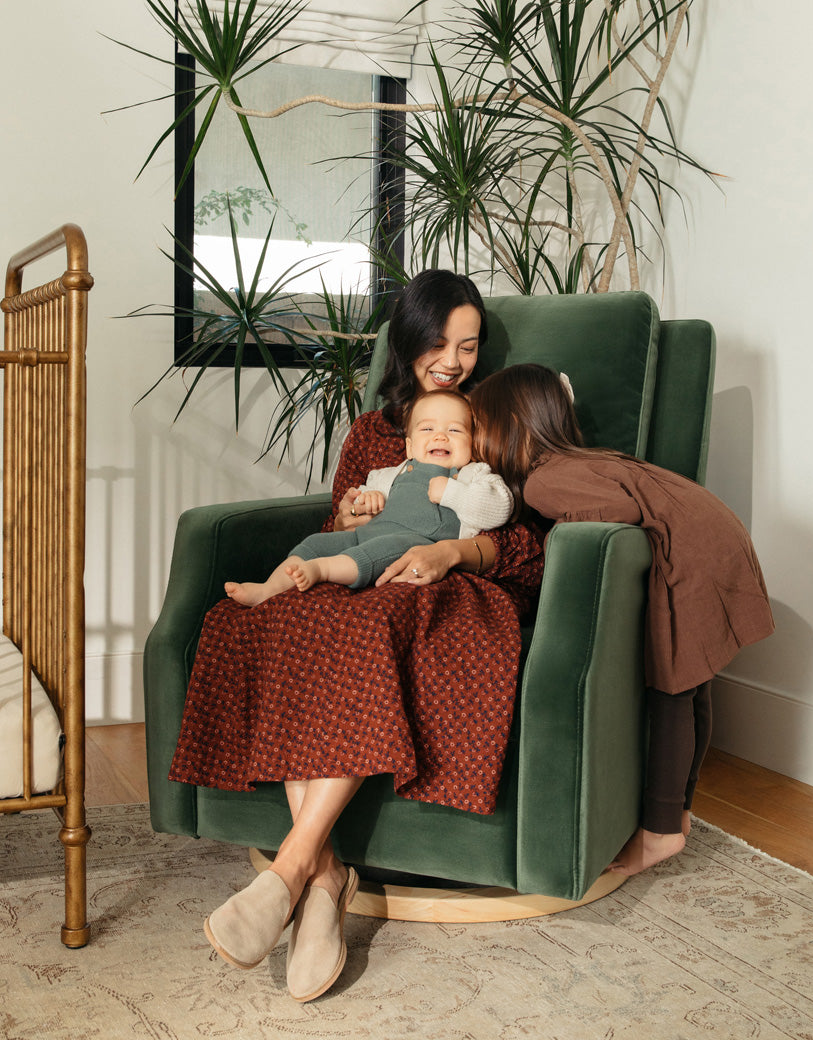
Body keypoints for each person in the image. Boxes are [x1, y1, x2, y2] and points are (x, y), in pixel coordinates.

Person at [168, 270, 543, 1002]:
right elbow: (342, 524)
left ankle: (292, 868)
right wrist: (349, 515)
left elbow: (527, 539)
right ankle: (325, 876)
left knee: (365, 624)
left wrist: (451, 552)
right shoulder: (373, 431)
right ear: (408, 340)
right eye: (440, 341)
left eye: (469, 346)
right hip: (362, 572)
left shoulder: (487, 418)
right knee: (262, 617)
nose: (454, 358)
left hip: (446, 588)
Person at [468, 363, 774, 877]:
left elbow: (617, 511)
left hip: (691, 556)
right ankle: (679, 812)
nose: (475, 440)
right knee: (693, 687)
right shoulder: (575, 459)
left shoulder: (545, 482)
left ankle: (660, 831)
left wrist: (552, 540)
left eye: (479, 426)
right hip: (715, 536)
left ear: (508, 426)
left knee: (672, 690)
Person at [224, 389, 513, 606]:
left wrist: (452, 492)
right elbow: (363, 496)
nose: (440, 436)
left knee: (383, 549)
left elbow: (499, 507)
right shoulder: (396, 471)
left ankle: (321, 569)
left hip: (417, 545)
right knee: (316, 542)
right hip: (371, 532)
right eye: (428, 429)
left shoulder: (473, 474)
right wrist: (366, 501)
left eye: (454, 430)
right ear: (409, 447)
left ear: (473, 445)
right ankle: (268, 589)